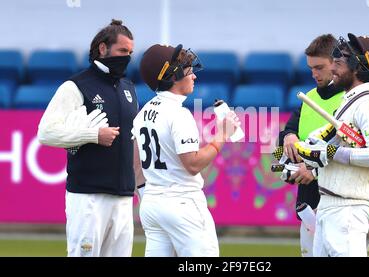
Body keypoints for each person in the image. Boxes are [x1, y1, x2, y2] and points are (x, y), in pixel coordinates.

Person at [38, 19, 143, 257]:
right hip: (87, 197)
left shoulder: (129, 88)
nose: (127, 57)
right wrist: (92, 135)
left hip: (124, 198)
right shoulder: (75, 86)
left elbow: (132, 141)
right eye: (122, 51)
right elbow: (45, 132)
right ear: (103, 49)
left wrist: (139, 187)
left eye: (130, 52)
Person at [134, 44, 240, 257]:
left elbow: (136, 163)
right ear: (173, 76)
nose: (194, 76)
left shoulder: (143, 112)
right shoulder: (178, 114)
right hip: (182, 203)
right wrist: (222, 135)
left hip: (152, 203)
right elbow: (192, 164)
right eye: (188, 70)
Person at [295, 33, 369, 257]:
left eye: (340, 61)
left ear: (358, 66)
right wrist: (313, 153)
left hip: (348, 209)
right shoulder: (348, 103)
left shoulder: (368, 105)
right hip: (328, 204)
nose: (333, 68)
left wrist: (330, 151)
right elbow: (330, 150)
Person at [278, 34, 344, 257]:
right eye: (310, 68)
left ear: (336, 63)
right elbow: (287, 133)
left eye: (319, 67)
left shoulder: (349, 100)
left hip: (339, 204)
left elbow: (350, 151)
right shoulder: (309, 97)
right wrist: (288, 137)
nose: (314, 74)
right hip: (309, 204)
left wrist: (314, 171)